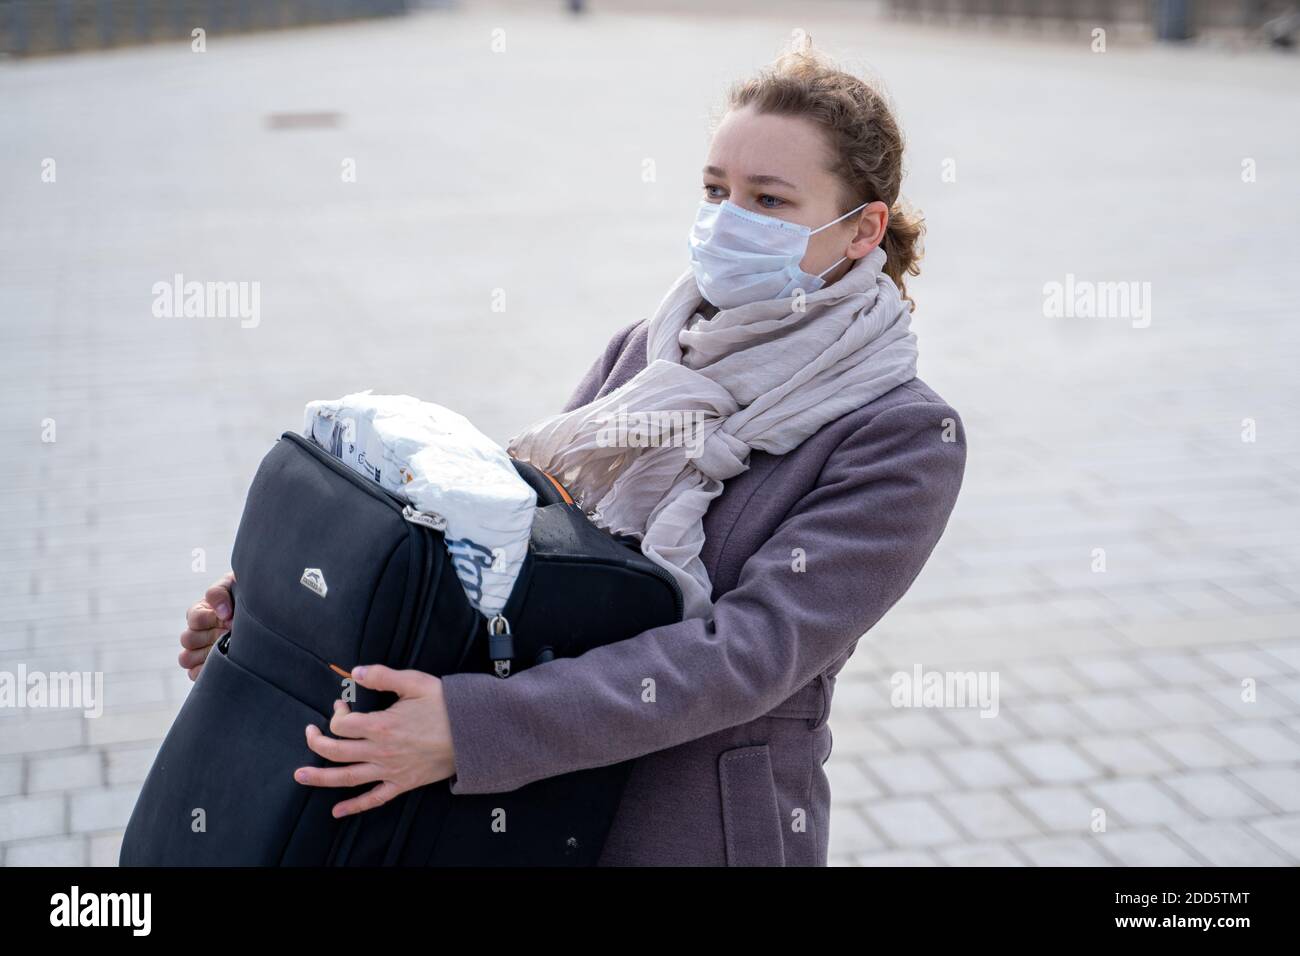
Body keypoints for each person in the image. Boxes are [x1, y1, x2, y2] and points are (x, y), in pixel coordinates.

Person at [178, 43, 967, 866]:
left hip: (690, 826)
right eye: (714, 191)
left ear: (862, 229)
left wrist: (475, 727)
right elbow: (516, 540)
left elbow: (750, 654)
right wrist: (291, 621)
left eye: (768, 200)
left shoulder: (901, 435)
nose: (728, 220)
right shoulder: (652, 351)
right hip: (529, 810)